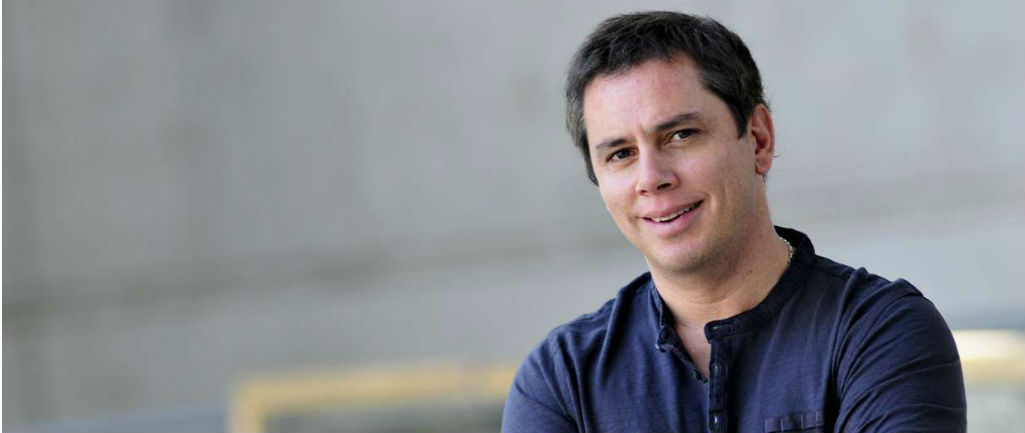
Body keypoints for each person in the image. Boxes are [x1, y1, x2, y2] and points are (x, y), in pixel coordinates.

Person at [501, 11, 966, 433]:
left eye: (681, 135)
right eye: (621, 154)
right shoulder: (562, 379)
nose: (651, 178)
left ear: (758, 139)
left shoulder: (880, 332)